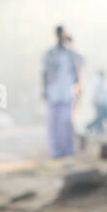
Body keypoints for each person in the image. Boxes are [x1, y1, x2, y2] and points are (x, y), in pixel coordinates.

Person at [41, 25, 82, 158]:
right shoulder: (50, 53)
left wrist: (79, 89)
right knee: (53, 123)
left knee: (67, 121)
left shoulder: (71, 54)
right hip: (53, 92)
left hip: (68, 92)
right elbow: (44, 73)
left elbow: (79, 70)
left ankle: (69, 150)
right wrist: (44, 89)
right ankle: (55, 151)